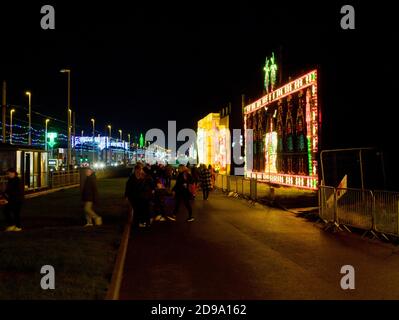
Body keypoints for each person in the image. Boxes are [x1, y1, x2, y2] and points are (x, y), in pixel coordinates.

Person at [125, 163, 153, 228]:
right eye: (137, 170)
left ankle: (145, 221)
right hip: (134, 197)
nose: (139, 171)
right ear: (135, 170)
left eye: (140, 169)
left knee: (144, 209)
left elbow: (150, 184)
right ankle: (139, 222)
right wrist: (126, 196)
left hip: (143, 196)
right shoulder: (132, 178)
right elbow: (128, 187)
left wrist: (150, 191)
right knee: (137, 209)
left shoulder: (145, 177)